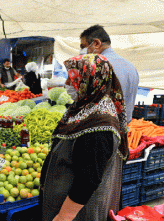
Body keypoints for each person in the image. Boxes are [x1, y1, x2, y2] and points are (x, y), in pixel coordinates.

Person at [40, 54, 129, 221]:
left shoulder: (99, 123)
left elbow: (88, 178)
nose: (67, 83)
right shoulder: (86, 108)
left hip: (77, 214)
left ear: (91, 80)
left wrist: (64, 216)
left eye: (73, 78)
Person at [79, 24, 139, 123]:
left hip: (101, 130)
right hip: (122, 130)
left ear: (96, 43)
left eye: (84, 47)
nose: (83, 52)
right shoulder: (131, 67)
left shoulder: (97, 66)